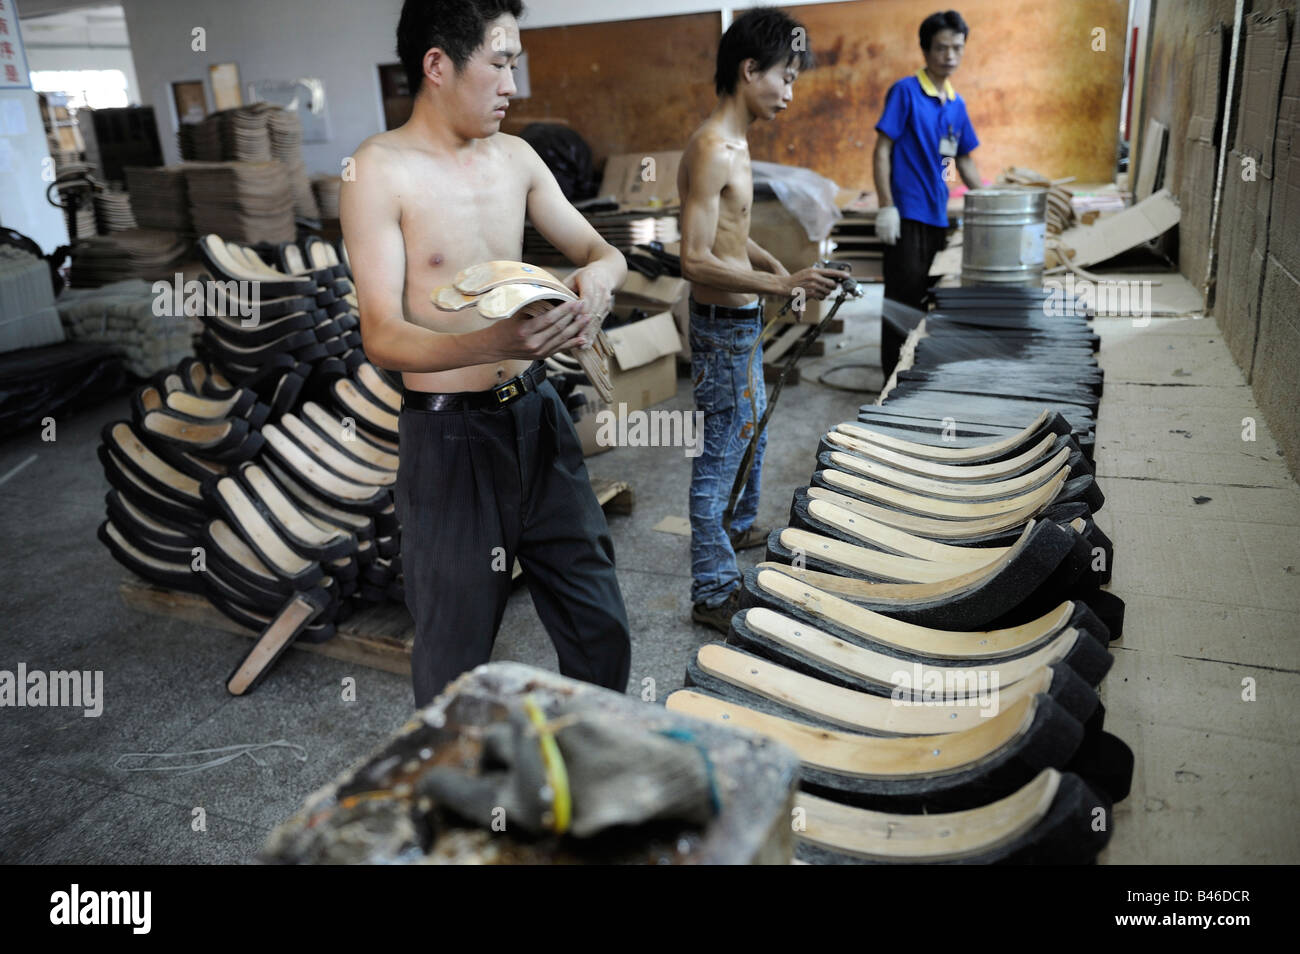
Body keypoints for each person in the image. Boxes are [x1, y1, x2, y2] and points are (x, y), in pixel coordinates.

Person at [340, 0, 631, 707]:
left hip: (538, 421)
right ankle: (457, 800)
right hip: (449, 439)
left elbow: (600, 249)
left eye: (514, 65)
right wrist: (494, 341)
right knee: (454, 656)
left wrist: (600, 278)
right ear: (437, 65)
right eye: (500, 64)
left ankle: (587, 770)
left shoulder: (518, 158)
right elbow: (381, 334)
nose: (513, 85)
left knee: (599, 625)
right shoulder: (377, 171)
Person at [678, 6, 843, 634]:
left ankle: (736, 529)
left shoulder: (738, 143)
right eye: (787, 77)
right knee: (720, 451)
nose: (791, 93)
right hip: (721, 329)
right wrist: (782, 282)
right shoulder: (713, 150)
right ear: (750, 70)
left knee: (753, 432)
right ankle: (712, 587)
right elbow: (694, 259)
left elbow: (731, 234)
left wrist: (778, 267)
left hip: (742, 321)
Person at [873, 10, 983, 319]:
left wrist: (991, 199)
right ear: (925, 50)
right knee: (902, 302)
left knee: (928, 302)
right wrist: (886, 206)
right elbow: (882, 149)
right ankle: (894, 368)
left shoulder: (956, 104)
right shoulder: (905, 92)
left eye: (957, 47)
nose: (950, 55)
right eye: (941, 47)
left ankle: (916, 367)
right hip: (906, 216)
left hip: (938, 215)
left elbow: (962, 159)